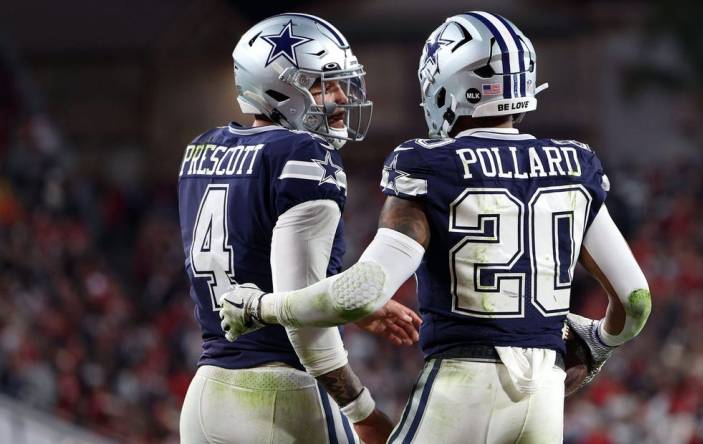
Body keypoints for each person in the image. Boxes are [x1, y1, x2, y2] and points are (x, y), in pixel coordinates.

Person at [220, 11, 652, 443]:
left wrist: (262, 308)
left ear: (451, 87)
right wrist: (598, 343)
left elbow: (365, 289)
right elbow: (635, 300)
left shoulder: (428, 164)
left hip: (463, 389)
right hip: (543, 397)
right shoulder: (574, 164)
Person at [177, 13, 420, 444]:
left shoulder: (203, 149)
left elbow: (262, 264)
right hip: (280, 397)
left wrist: (345, 305)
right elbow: (301, 326)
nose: (342, 98)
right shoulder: (304, 154)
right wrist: (362, 411)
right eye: (323, 85)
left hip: (206, 396)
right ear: (278, 88)